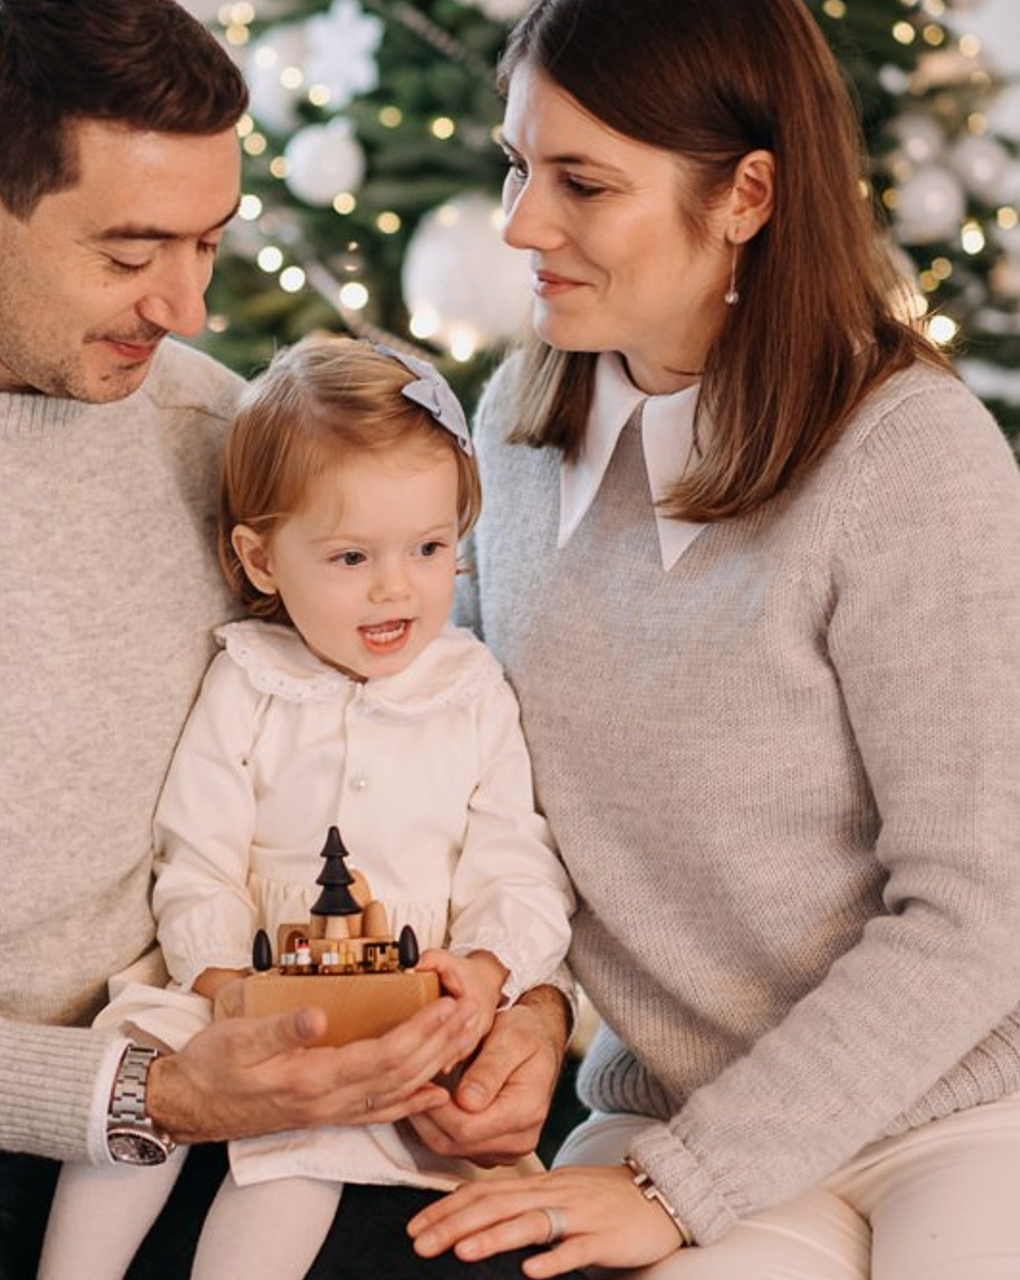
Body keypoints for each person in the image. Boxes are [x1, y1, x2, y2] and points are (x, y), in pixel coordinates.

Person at [0, 3, 562, 1277]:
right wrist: (146, 1090)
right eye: (131, 252)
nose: (182, 305)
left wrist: (534, 1007)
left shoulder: (213, 430)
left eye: (207, 243)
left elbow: (415, 749)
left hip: (239, 1090)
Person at [405, 0, 1020, 1277]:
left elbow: (977, 908)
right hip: (666, 1105)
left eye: (582, 181)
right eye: (520, 166)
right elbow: (484, 795)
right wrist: (522, 1004)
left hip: (960, 1107)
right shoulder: (513, 428)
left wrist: (686, 1185)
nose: (522, 223)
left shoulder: (910, 457)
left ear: (743, 195)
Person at [37, 335, 575, 1280]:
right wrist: (222, 987)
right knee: (135, 1066)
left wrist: (487, 976)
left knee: (305, 1153)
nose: (395, 586)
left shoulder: (472, 690)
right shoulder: (247, 680)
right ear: (262, 559)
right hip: (244, 991)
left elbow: (514, 864)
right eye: (350, 554)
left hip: (405, 997)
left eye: (430, 548)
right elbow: (195, 854)